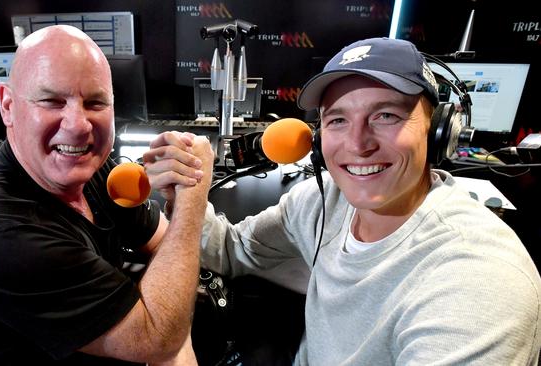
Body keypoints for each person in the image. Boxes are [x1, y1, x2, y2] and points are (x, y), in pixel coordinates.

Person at [144, 37, 541, 365]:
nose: (357, 144)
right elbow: (230, 250)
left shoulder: (477, 278)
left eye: (386, 115)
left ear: (439, 134)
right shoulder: (322, 202)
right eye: (337, 120)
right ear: (317, 141)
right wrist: (185, 193)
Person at [0, 25, 213, 365]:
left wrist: (167, 317)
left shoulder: (85, 164)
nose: (77, 125)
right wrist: (192, 194)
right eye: (51, 100)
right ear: (7, 106)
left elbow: (164, 246)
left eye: (95, 102)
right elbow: (158, 338)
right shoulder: (4, 236)